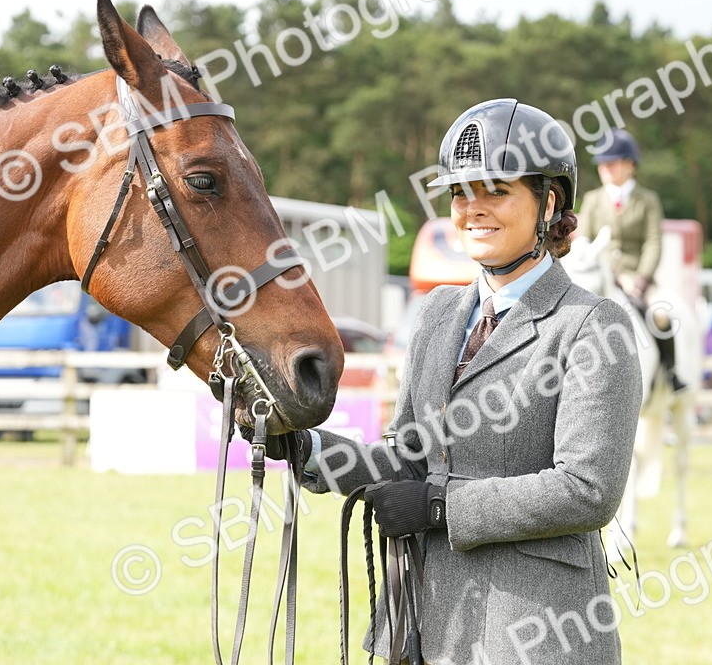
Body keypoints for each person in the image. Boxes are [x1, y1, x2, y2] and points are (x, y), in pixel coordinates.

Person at [261, 99, 642, 664]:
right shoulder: (439, 312)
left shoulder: (591, 325)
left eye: (496, 191)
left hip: (534, 631)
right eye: (461, 193)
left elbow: (587, 489)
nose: (472, 210)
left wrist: (441, 508)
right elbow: (410, 460)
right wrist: (309, 449)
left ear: (549, 202)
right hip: (423, 621)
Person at [577, 128, 687, 392]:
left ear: (629, 165)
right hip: (601, 274)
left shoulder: (647, 200)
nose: (604, 168)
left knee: (660, 315)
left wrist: (641, 278)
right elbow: (584, 241)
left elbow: (653, 242)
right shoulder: (593, 200)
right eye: (602, 163)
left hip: (639, 277)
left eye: (611, 162)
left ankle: (670, 372)